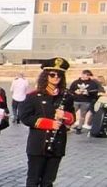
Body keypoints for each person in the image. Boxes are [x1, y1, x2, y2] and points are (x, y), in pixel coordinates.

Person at [19, 57, 75, 187]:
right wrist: (48, 123)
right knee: (33, 179)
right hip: (38, 144)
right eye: (52, 74)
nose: (56, 77)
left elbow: (72, 117)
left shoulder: (66, 97)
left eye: (59, 75)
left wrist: (65, 115)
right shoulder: (33, 96)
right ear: (46, 76)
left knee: (48, 181)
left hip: (57, 144)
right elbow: (25, 117)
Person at [68, 70, 100, 134]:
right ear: (82, 74)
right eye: (86, 75)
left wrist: (88, 93)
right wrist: (75, 92)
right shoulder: (75, 82)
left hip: (86, 101)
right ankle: (68, 126)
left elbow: (95, 91)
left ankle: (79, 128)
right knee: (71, 113)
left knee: (83, 115)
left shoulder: (92, 83)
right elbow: (70, 90)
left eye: (89, 75)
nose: (87, 76)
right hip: (75, 100)